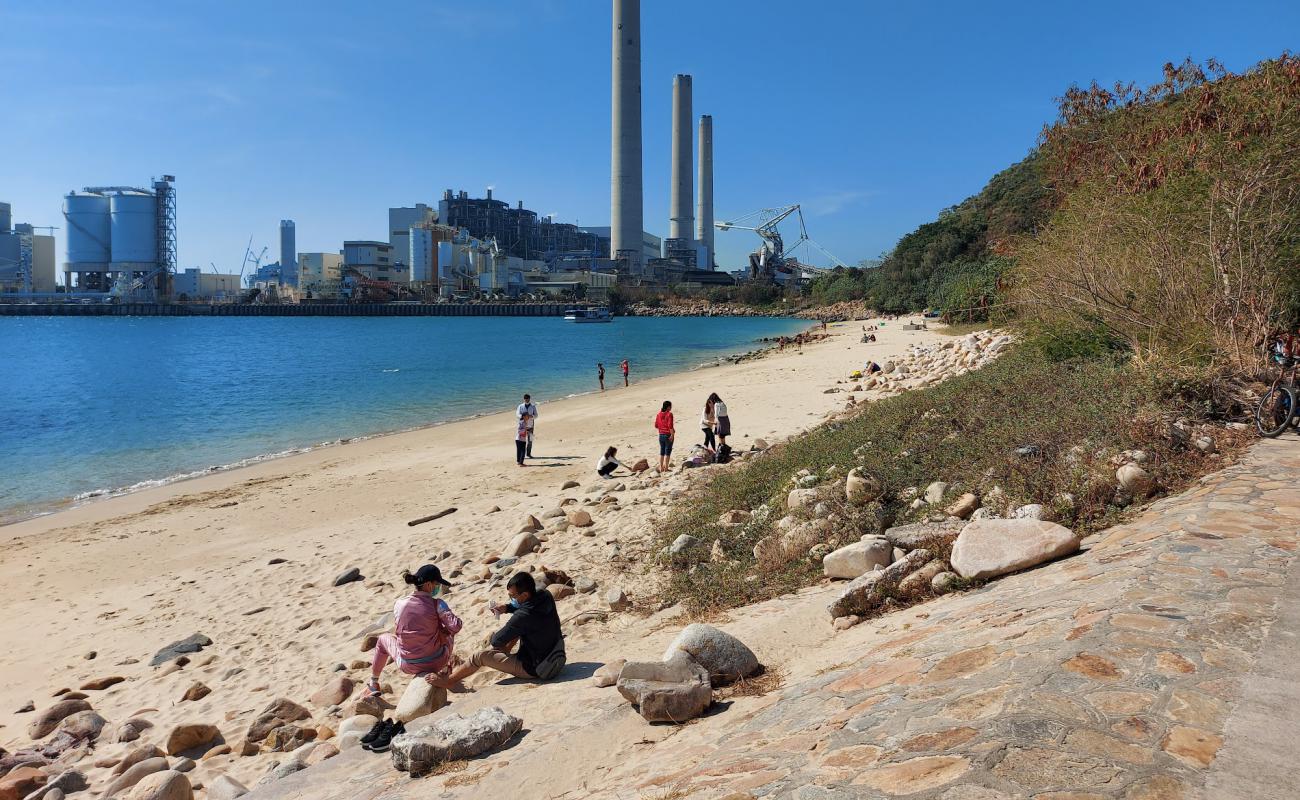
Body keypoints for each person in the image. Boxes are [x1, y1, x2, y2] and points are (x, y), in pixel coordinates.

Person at [361, 564, 462, 752]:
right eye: (438, 584)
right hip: (436, 660)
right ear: (431, 585)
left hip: (407, 664)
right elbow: (455, 626)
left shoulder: (399, 604)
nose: (439, 588)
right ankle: (445, 671)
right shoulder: (437, 604)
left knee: (383, 640)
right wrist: (442, 626)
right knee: (447, 634)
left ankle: (374, 683)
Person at [445, 572, 565, 686]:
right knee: (521, 628)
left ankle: (448, 681)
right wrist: (507, 608)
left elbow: (496, 641)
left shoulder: (522, 616)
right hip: (556, 656)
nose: (511, 598)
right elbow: (527, 608)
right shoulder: (545, 595)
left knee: (479, 656)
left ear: (525, 595)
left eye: (512, 596)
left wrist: (498, 642)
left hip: (536, 668)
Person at [655, 400, 675, 471]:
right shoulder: (669, 414)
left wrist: (662, 427)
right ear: (668, 407)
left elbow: (656, 425)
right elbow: (670, 426)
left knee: (662, 452)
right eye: (670, 406)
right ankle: (666, 468)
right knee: (668, 452)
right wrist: (672, 435)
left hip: (661, 435)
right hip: (668, 435)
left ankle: (661, 467)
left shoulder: (658, 414)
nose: (671, 408)